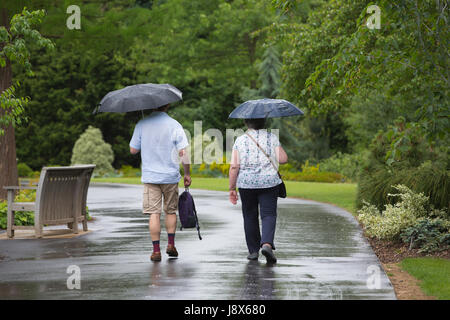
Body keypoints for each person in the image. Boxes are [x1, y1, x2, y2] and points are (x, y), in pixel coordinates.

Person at [130, 104, 191, 262]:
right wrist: (187, 173)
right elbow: (183, 152)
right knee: (170, 211)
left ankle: (156, 251)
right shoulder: (174, 124)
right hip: (170, 177)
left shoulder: (142, 124)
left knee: (154, 213)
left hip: (151, 177)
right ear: (167, 105)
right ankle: (171, 244)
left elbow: (133, 150)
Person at [229, 118, 288, 263]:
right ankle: (267, 244)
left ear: (246, 123)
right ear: (264, 123)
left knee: (249, 216)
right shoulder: (271, 137)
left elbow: (234, 166)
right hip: (269, 182)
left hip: (246, 184)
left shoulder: (240, 140)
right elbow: (283, 159)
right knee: (268, 215)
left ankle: (253, 251)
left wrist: (232, 188)